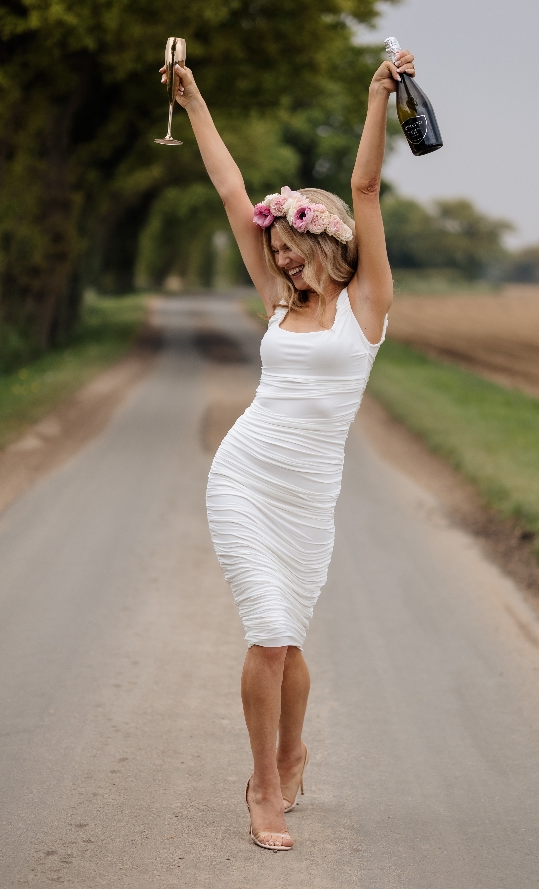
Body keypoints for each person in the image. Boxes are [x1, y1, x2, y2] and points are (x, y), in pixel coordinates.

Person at [162, 46, 416, 850]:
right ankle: (264, 787)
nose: (275, 253)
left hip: (310, 498)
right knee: (268, 633)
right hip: (244, 476)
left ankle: (294, 748)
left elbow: (367, 186)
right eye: (271, 245)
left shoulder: (366, 305)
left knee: (290, 639)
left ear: (324, 240)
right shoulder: (275, 298)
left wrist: (377, 94)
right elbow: (231, 188)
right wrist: (193, 96)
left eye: (287, 242)